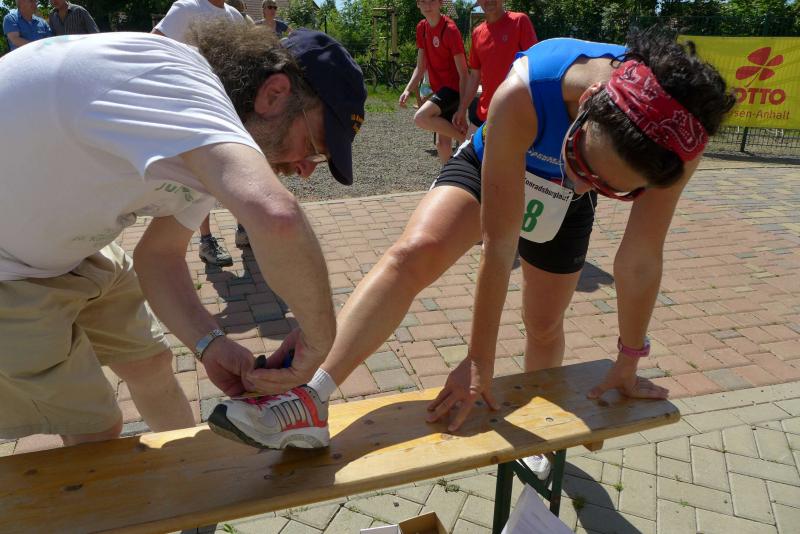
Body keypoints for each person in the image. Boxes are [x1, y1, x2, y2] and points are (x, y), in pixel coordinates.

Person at [210, 30, 733, 454]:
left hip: (561, 205)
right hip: (497, 161)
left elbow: (640, 258)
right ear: (591, 103)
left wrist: (629, 359)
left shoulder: (680, 135)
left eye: (611, 188)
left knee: (544, 322)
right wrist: (478, 359)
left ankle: (545, 435)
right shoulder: (526, 88)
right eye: (582, 160)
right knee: (413, 254)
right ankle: (310, 397)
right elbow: (498, 244)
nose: (583, 181)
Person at [0, 22, 367, 448]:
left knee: (152, 365)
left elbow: (160, 257)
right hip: (9, 269)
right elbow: (277, 216)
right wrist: (319, 341)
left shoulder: (206, 147)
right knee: (97, 428)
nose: (305, 170)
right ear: (273, 94)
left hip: (72, 247)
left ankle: (190, 482)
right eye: (315, 147)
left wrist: (210, 344)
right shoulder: (176, 82)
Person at [153, 0, 246, 266]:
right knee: (200, 176)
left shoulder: (235, 16)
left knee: (235, 168)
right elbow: (154, 45)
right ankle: (206, 241)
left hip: (229, 104)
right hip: (195, 106)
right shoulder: (186, 8)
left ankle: (243, 228)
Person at [399, 0, 469, 164]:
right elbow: (420, 67)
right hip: (440, 89)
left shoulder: (450, 30)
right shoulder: (422, 28)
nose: (427, 5)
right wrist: (407, 90)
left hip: (454, 89)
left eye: (432, 1)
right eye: (423, 1)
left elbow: (464, 73)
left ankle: (467, 139)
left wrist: (462, 107)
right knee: (442, 144)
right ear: (418, 4)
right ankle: (447, 175)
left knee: (421, 117)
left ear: (440, 3)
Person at [453, 0, 537, 136]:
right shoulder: (477, 33)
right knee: (467, 148)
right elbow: (474, 76)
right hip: (485, 112)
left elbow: (534, 65)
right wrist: (462, 109)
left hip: (514, 113)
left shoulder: (519, 21)